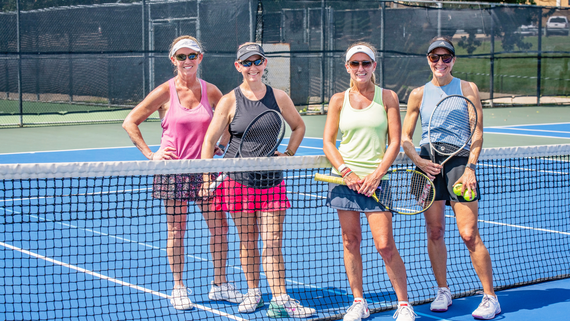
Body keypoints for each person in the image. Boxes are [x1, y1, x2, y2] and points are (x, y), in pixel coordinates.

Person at [122, 36, 243, 310]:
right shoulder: (164, 91)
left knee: (220, 229)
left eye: (192, 56)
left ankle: (220, 284)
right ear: (173, 60)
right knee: (177, 231)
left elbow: (228, 119)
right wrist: (151, 155)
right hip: (173, 171)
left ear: (200, 58)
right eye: (181, 57)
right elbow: (130, 121)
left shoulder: (211, 91)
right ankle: (178, 287)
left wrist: (221, 145)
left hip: (206, 172)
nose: (186, 61)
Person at [200, 42, 315, 319]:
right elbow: (209, 140)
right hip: (237, 182)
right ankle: (253, 291)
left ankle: (281, 299)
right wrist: (206, 177)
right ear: (238, 66)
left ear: (265, 64)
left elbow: (299, 126)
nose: (253, 67)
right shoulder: (229, 100)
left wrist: (289, 153)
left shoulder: (279, 97)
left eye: (257, 61)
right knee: (248, 240)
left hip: (272, 182)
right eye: (246, 63)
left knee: (272, 241)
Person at [401, 37, 500, 320]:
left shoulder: (468, 88)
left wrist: (470, 168)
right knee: (434, 232)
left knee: (469, 234)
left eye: (446, 58)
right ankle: (443, 290)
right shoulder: (418, 93)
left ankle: (490, 297)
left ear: (453, 60)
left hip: (459, 164)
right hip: (427, 164)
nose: (440, 63)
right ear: (428, 60)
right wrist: (419, 161)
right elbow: (407, 138)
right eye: (435, 58)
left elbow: (477, 131)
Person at [322, 42, 416, 321]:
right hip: (344, 182)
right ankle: (358, 301)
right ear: (348, 67)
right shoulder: (338, 99)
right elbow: (328, 141)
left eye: (365, 63)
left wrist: (376, 176)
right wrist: (347, 172)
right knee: (350, 241)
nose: (360, 68)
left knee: (385, 244)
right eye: (355, 64)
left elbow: (395, 141)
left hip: (377, 183)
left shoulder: (388, 97)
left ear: (374, 66)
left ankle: (403, 305)